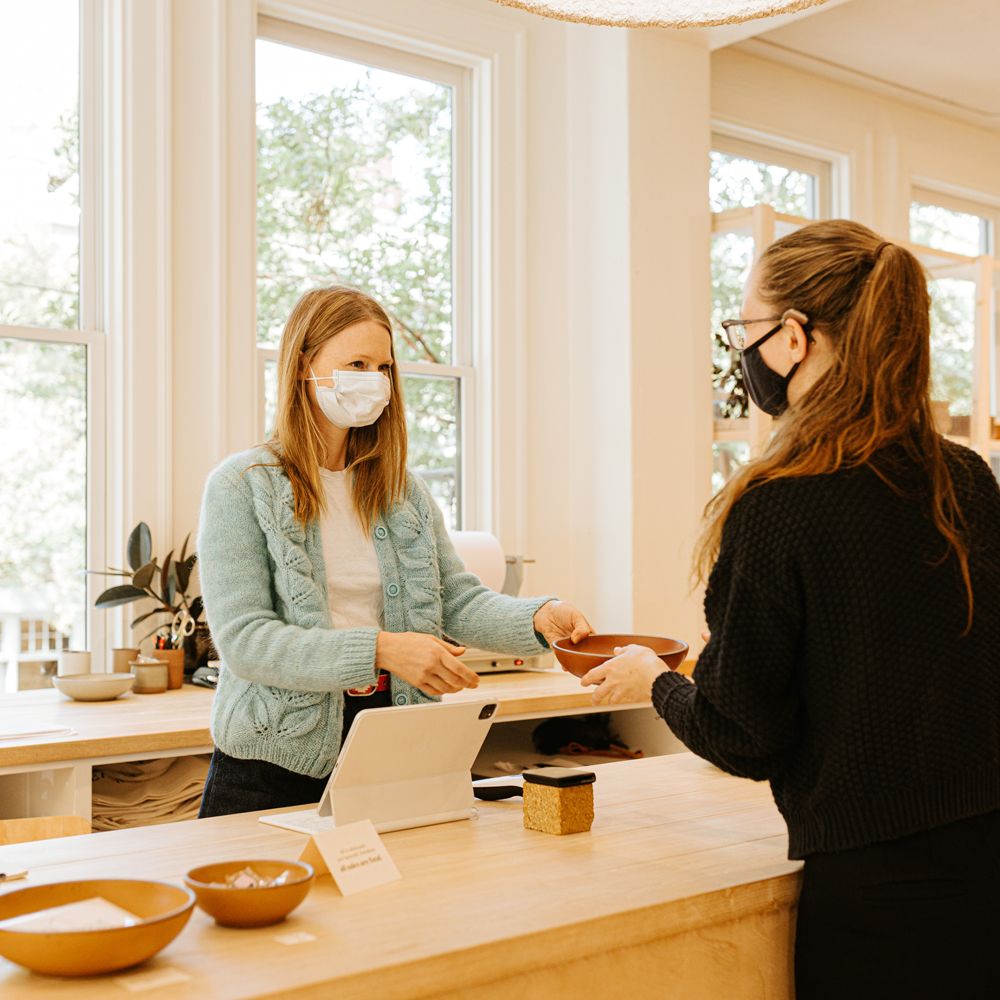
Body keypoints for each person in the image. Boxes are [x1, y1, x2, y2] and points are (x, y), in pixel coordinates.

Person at [582, 220, 1000, 998]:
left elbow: (747, 738)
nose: (744, 350)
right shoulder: (965, 479)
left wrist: (657, 681)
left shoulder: (781, 505)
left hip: (877, 897)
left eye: (746, 328)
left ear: (795, 337)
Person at [197, 286, 590, 818]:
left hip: (392, 742)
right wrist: (382, 649)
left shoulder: (402, 490)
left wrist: (538, 617)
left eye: (383, 366)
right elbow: (245, 641)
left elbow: (457, 600)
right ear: (303, 367)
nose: (374, 380)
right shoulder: (242, 485)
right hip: (272, 764)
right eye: (356, 362)